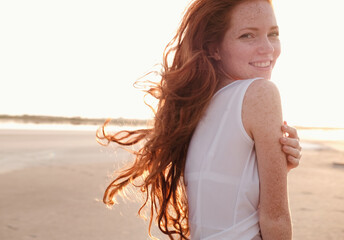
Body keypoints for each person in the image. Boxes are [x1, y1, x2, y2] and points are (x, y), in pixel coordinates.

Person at [97, 0, 301, 239]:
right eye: (248, 35)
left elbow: (224, 199)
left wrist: (275, 167)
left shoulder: (197, 108)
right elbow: (275, 218)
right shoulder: (261, 93)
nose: (268, 48)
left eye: (273, 34)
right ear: (214, 48)